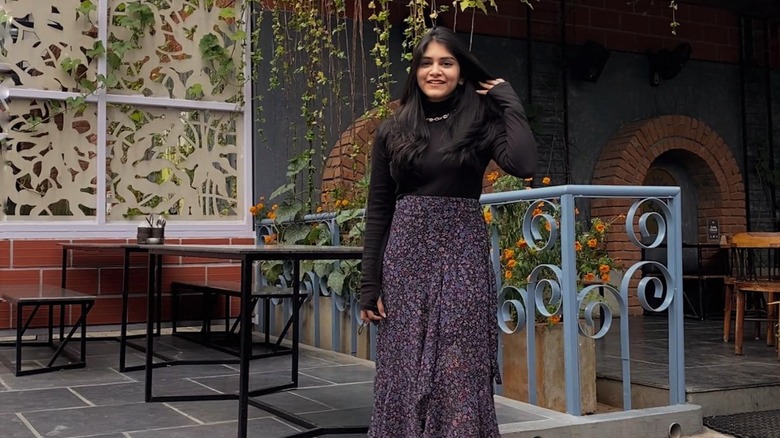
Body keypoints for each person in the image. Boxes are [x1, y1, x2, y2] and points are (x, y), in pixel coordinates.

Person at [359, 26, 537, 437]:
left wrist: (508, 102)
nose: (434, 71)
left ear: (461, 70)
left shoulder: (480, 122)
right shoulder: (393, 129)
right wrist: (370, 283)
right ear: (415, 71)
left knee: (458, 367)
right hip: (405, 258)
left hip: (462, 255)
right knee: (402, 369)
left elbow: (524, 163)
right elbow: (379, 209)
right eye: (426, 63)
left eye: (446, 62)